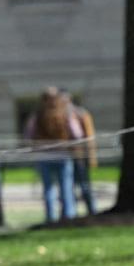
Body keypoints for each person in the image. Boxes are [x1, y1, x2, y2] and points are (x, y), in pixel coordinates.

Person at [23, 87, 81, 223]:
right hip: (63, 155)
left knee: (48, 188)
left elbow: (28, 135)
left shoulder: (37, 116)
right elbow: (77, 134)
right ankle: (68, 216)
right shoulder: (66, 114)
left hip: (44, 156)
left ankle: (50, 217)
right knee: (66, 187)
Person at [65, 93, 98, 216]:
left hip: (80, 156)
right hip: (66, 156)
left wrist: (91, 156)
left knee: (84, 185)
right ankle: (71, 213)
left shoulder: (80, 114)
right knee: (69, 187)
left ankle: (91, 210)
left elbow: (88, 136)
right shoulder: (59, 114)